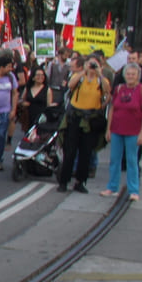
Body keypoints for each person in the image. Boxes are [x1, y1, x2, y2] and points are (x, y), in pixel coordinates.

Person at [57, 55, 110, 194]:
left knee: (86, 152)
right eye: (90, 64)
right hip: (76, 117)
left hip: (91, 118)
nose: (92, 67)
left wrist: (99, 73)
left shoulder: (101, 80)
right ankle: (64, 181)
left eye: (95, 64)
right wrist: (83, 71)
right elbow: (70, 84)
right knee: (70, 151)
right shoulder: (80, 77)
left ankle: (80, 181)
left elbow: (107, 91)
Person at [102, 63, 142, 201]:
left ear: (138, 76)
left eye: (133, 74)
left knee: (132, 161)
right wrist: (109, 129)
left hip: (134, 132)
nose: (130, 77)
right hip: (117, 130)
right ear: (124, 75)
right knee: (114, 160)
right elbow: (112, 109)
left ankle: (134, 190)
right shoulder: (118, 89)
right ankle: (112, 187)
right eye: (128, 74)